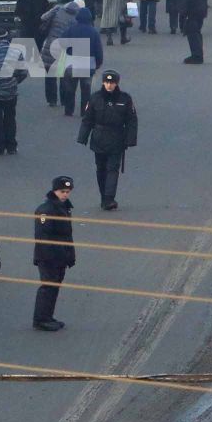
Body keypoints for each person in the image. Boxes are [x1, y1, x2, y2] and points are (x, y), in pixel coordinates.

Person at [77, 71, 137, 211]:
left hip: (117, 138)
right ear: (103, 82)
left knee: (112, 169)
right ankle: (104, 197)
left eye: (112, 82)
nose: (109, 85)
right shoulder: (95, 98)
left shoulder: (125, 99)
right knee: (101, 169)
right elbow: (88, 119)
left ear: (117, 83)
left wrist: (130, 139)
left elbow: (131, 120)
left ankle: (109, 198)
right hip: (99, 138)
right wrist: (82, 137)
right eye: (107, 82)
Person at [32, 176, 77, 331]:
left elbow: (67, 235)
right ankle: (40, 319)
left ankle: (48, 316)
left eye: (67, 192)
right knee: (48, 286)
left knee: (55, 286)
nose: (65, 194)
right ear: (54, 191)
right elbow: (42, 236)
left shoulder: (63, 208)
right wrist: (49, 257)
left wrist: (70, 255)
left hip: (60, 256)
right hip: (49, 257)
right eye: (62, 191)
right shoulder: (46, 210)